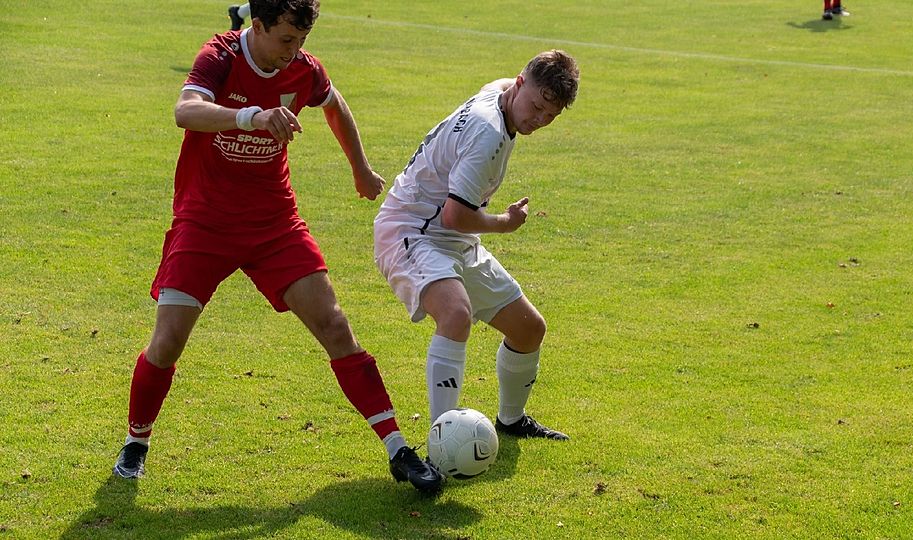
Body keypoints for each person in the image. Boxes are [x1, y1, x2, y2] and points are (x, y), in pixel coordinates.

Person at [112, 0, 442, 494]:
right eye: (286, 39)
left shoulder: (304, 69)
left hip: (274, 226)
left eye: (302, 41)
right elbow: (186, 110)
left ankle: (396, 448)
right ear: (258, 25)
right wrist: (251, 117)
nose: (295, 52)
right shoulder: (220, 55)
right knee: (168, 342)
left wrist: (359, 167)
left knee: (335, 326)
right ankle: (137, 442)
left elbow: (335, 104)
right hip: (205, 224)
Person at [373, 50, 579, 441]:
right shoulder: (487, 133)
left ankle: (511, 420)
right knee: (455, 314)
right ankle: (442, 440)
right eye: (535, 107)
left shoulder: (500, 92)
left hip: (451, 237)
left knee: (529, 330)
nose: (538, 120)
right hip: (411, 230)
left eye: (549, 116)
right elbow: (455, 216)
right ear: (521, 83)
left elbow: (502, 83)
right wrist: (505, 222)